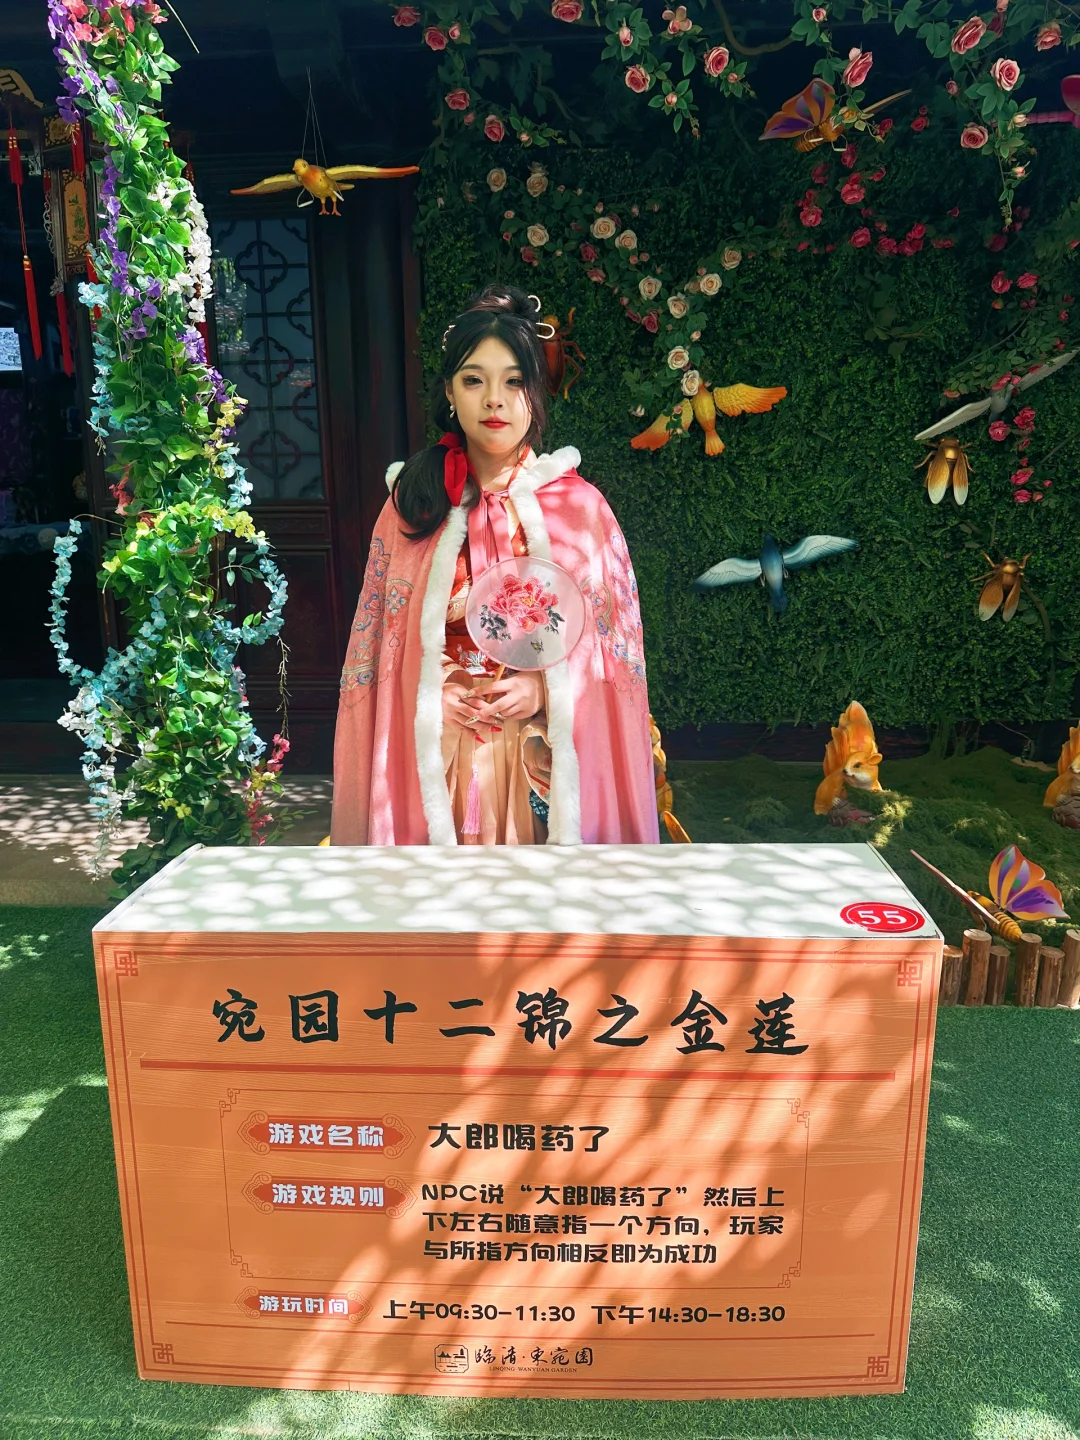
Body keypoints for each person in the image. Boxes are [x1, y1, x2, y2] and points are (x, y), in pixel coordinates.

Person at [330, 284, 658, 846]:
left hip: (537, 758)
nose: (494, 401)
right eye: (474, 380)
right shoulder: (413, 503)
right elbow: (379, 647)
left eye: (513, 381)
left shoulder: (581, 511)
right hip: (438, 756)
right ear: (450, 393)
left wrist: (542, 690)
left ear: (536, 391)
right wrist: (433, 690)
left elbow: (612, 656)